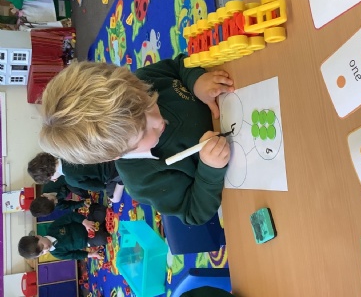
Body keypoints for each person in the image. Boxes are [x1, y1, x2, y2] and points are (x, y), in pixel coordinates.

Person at [39, 54, 234, 225]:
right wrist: (210, 169)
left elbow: (177, 65)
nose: (157, 120)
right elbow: (194, 212)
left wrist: (196, 81)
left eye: (148, 102)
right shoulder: (141, 181)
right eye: (142, 131)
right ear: (115, 154)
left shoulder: (139, 82)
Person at [27, 152, 125, 203]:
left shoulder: (70, 179)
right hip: (111, 153)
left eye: (50, 180)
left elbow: (99, 186)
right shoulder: (65, 152)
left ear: (50, 176)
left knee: (114, 198)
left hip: (113, 170)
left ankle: (122, 180)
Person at [18, 206, 108, 260]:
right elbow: (74, 255)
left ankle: (93, 209)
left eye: (42, 246)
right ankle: (101, 227)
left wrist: (85, 222)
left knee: (101, 211)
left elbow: (71, 217)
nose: (45, 250)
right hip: (88, 240)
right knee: (104, 239)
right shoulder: (57, 253)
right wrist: (91, 254)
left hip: (87, 224)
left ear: (38, 237)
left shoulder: (53, 228)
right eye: (42, 253)